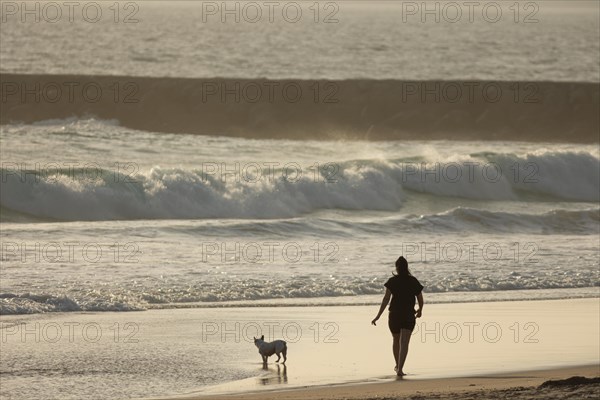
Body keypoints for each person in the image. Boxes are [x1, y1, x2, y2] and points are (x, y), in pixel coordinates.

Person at [371, 256, 424, 376]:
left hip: (394, 315)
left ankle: (397, 365)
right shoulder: (413, 281)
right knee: (404, 342)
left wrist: (378, 316)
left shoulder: (392, 281)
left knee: (396, 339)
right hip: (408, 315)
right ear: (407, 267)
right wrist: (420, 310)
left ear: (397, 267)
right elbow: (420, 299)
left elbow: (386, 299)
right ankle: (400, 369)